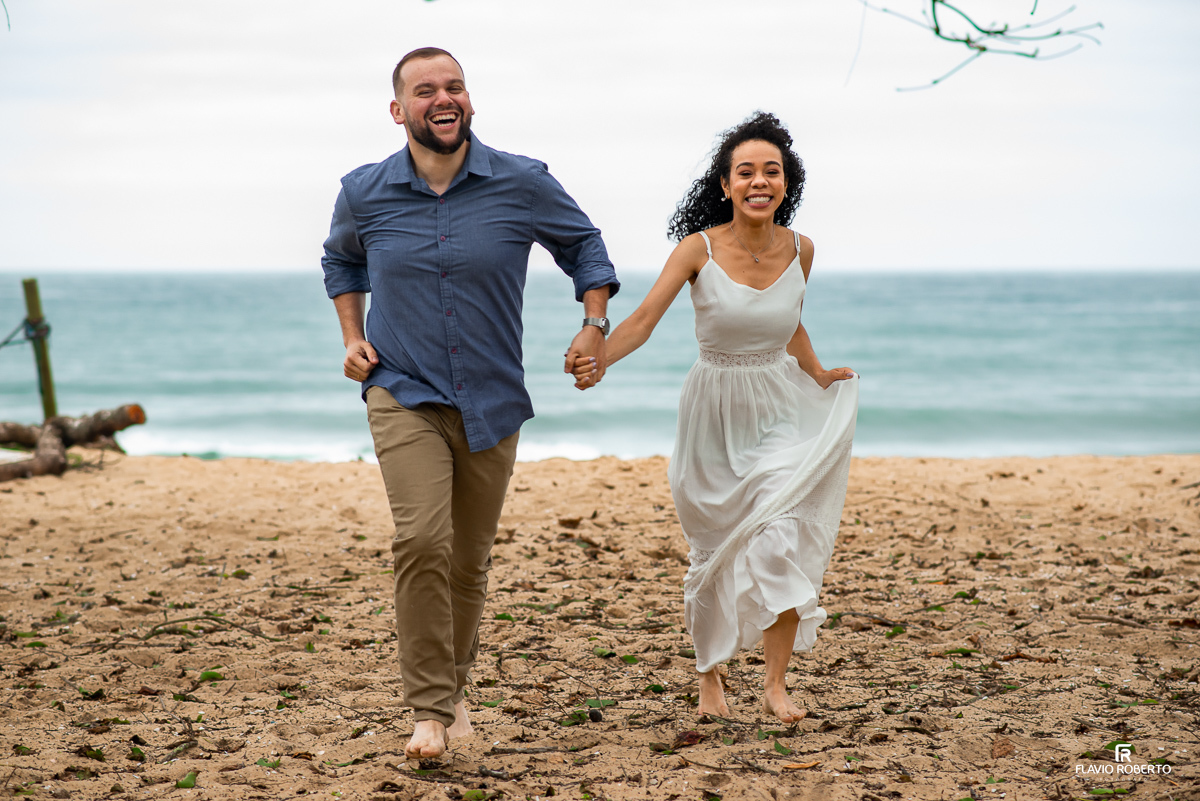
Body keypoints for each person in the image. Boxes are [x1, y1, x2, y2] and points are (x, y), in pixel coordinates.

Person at [322, 47, 619, 759]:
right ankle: (428, 709)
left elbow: (586, 248)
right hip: (403, 389)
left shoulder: (521, 182)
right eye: (425, 91)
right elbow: (341, 259)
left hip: (491, 396)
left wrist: (593, 321)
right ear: (399, 111)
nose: (443, 98)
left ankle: (449, 693)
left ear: (470, 101)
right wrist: (354, 336)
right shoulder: (364, 191)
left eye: (454, 85)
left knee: (467, 561)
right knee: (422, 540)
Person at [571, 112, 857, 722]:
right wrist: (601, 357)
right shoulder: (697, 249)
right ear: (725, 185)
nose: (760, 181)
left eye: (771, 171)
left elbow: (789, 321)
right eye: (745, 172)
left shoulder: (802, 249)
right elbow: (645, 319)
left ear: (787, 182)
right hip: (712, 411)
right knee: (713, 550)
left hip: (777, 406)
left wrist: (819, 372)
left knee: (780, 535)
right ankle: (710, 680)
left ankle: (776, 683)